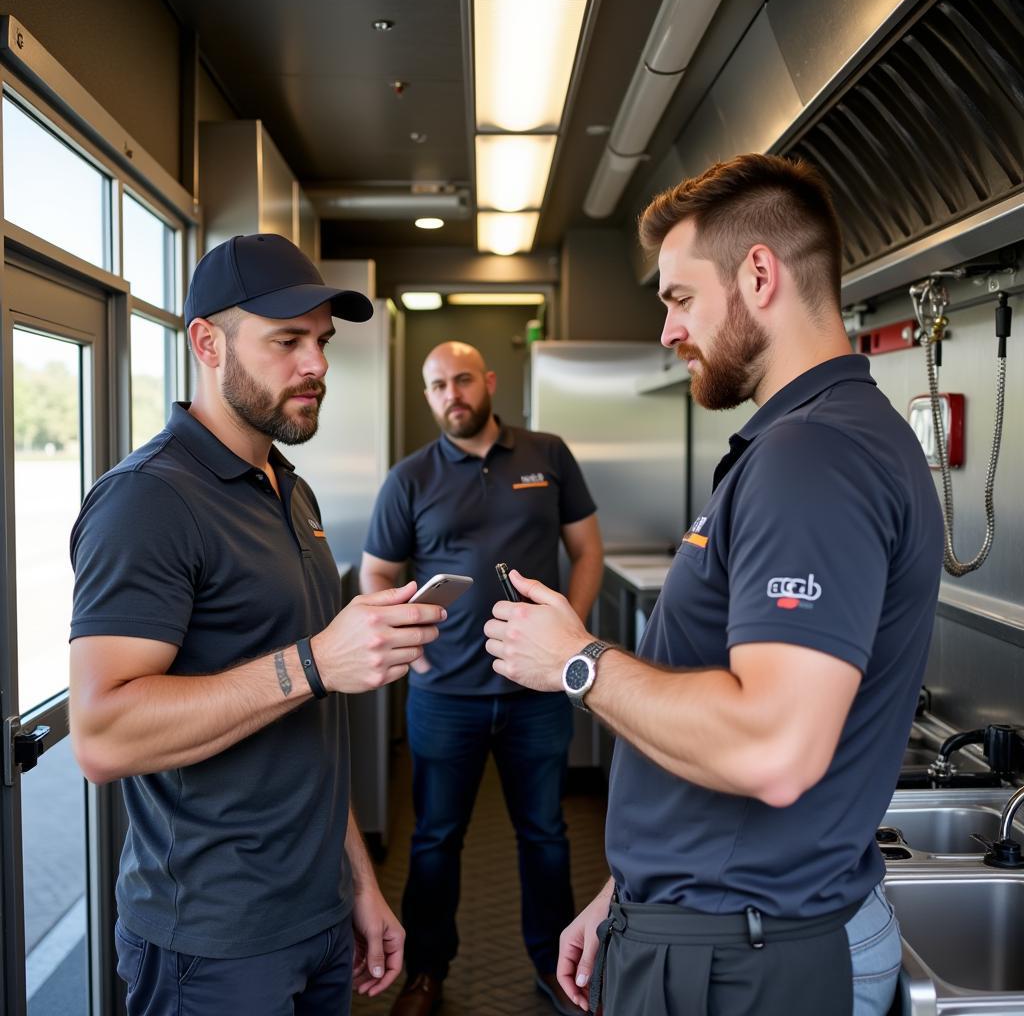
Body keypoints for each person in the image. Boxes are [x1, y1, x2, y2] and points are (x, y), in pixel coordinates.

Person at [484, 154, 943, 1016]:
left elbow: (771, 749)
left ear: (759, 274)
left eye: (679, 297)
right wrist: (633, 888)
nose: (667, 330)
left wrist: (577, 663)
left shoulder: (815, 456)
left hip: (745, 959)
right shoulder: (808, 439)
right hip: (724, 924)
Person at [69, 233, 448, 1016]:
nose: (316, 364)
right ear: (206, 342)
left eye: (321, 342)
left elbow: (306, 724)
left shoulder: (288, 488)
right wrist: (314, 662)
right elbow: (102, 736)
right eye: (287, 341)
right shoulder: (148, 500)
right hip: (210, 942)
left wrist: (358, 883)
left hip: (312, 914)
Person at [360, 341, 604, 1016]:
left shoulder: (547, 455)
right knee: (436, 837)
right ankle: (425, 973)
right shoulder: (409, 477)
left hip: (538, 694)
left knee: (546, 835)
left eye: (462, 380)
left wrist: (569, 636)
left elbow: (587, 550)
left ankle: (554, 969)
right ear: (429, 395)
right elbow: (375, 572)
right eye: (437, 385)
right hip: (445, 697)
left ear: (488, 381)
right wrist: (411, 650)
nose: (451, 395)